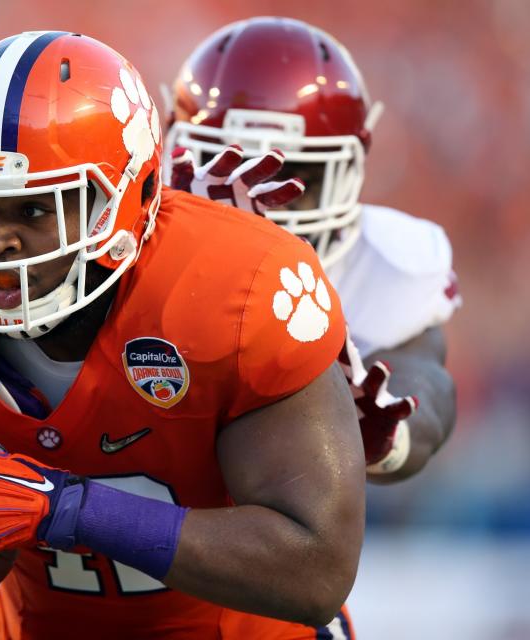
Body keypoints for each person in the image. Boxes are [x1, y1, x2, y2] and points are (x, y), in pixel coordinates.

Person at [0, 30, 366, 639]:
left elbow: (314, 570)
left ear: (131, 196)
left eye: (34, 208)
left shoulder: (232, 291)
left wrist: (63, 509)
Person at [166, 17, 460, 484]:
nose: (261, 201)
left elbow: (426, 387)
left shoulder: (388, 262)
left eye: (297, 178)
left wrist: (386, 434)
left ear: (350, 170)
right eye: (228, 167)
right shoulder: (136, 242)